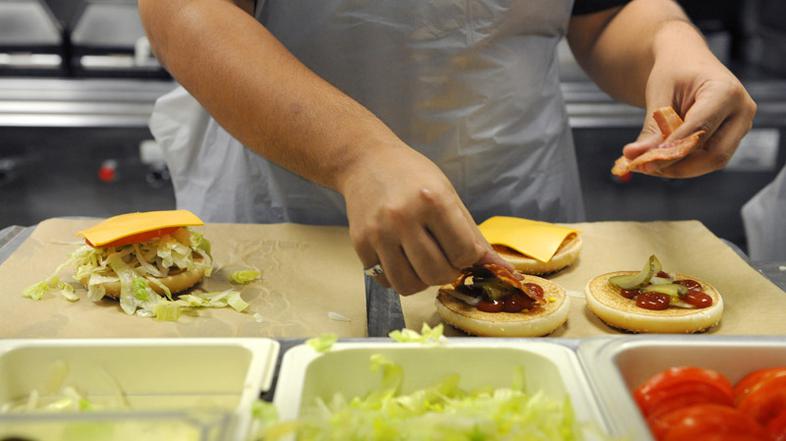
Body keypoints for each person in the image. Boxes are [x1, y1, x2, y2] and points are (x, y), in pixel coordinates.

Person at [140, 0, 756, 295]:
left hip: (519, 207)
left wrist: (670, 42)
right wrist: (355, 155)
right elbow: (187, 12)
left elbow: (602, 15)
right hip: (291, 212)